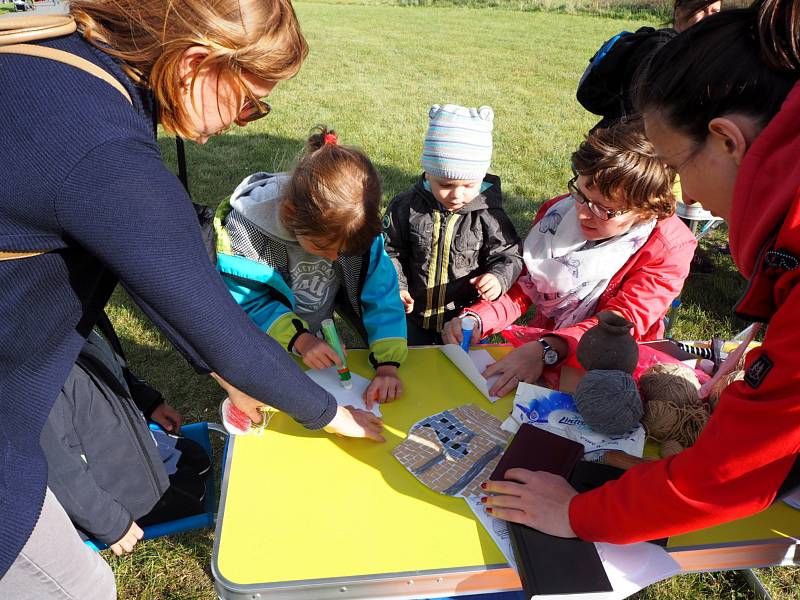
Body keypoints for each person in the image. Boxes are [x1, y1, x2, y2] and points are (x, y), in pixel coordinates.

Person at [0, 0, 381, 597]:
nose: (245, 118)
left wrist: (220, 374)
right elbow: (215, 321)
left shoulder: (66, 65)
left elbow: (150, 272)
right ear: (195, 63)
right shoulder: (103, 152)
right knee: (78, 588)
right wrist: (332, 414)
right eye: (250, 100)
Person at [482, 0, 800, 543]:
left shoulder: (670, 241)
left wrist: (579, 514)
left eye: (679, 168)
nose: (689, 196)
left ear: (727, 140)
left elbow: (737, 471)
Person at [443, 120, 696, 397]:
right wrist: (478, 319)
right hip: (544, 349)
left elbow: (620, 323)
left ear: (646, 210)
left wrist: (547, 349)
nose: (583, 213)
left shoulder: (670, 247)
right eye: (582, 193)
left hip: (611, 367)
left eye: (606, 209)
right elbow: (526, 285)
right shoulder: (557, 213)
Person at [215, 127, 408, 406]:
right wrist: (300, 340)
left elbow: (381, 294)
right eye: (322, 248)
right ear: (292, 216)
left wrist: (387, 364)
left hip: (311, 335)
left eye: (341, 252)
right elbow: (249, 303)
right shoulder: (246, 233)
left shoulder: (357, 226)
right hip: (264, 343)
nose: (332, 258)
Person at [382, 104, 523, 345]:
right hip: (412, 317)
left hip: (462, 322)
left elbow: (509, 255)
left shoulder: (489, 214)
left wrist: (498, 278)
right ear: (428, 173)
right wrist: (398, 287)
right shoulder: (406, 207)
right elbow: (389, 251)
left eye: (469, 186)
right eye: (445, 185)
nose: (456, 195)